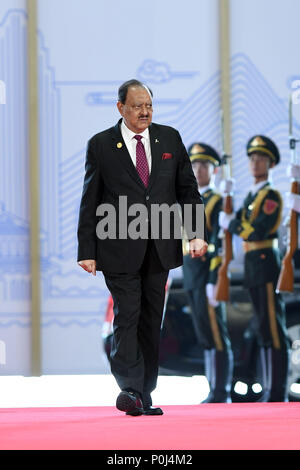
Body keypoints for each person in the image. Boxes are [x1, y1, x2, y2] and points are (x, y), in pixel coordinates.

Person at [77, 79, 208, 416]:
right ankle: (130, 387)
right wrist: (86, 249)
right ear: (120, 108)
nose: (145, 111)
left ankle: (143, 393)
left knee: (152, 320)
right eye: (137, 106)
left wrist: (195, 233)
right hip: (118, 246)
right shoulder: (102, 145)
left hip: (161, 246)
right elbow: (90, 200)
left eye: (149, 105)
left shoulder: (170, 138)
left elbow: (187, 190)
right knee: (128, 315)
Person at [219, 135, 291, 402]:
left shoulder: (270, 195)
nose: (255, 163)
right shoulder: (252, 195)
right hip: (252, 264)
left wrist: (233, 224)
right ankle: (270, 388)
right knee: (263, 327)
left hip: (265, 261)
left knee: (273, 328)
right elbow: (236, 222)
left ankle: (277, 391)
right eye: (252, 158)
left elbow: (255, 229)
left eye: (260, 158)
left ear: (270, 163)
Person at [182, 143, 233, 403]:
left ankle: (221, 391)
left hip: (207, 276)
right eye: (194, 164)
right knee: (205, 334)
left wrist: (215, 279)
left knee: (216, 333)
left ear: (214, 170)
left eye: (204, 165)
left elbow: (221, 245)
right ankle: (213, 387)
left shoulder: (216, 201)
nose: (198, 169)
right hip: (191, 275)